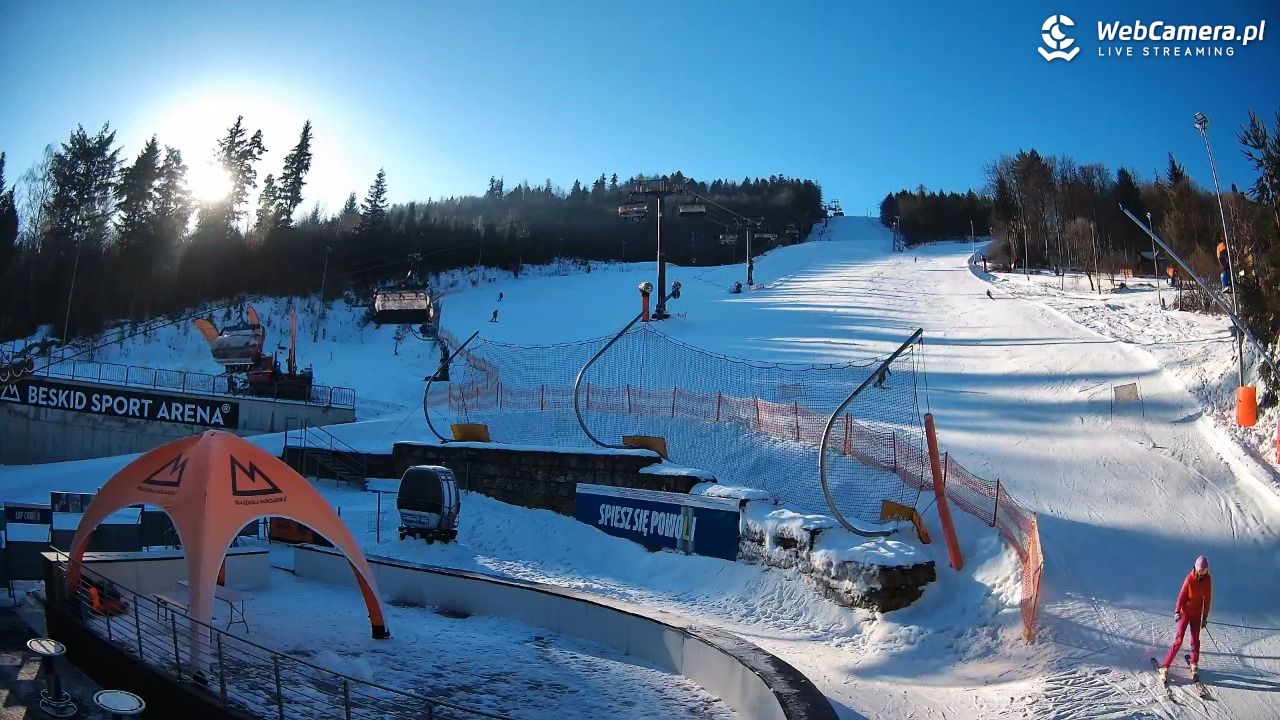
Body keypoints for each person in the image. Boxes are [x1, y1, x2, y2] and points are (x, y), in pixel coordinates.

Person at [1158, 555, 1212, 682]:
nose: (1202, 573)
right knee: (1179, 639)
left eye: (1204, 570)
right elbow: (1181, 596)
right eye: (1200, 570)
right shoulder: (1190, 579)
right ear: (1196, 568)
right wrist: (1177, 611)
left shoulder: (1207, 580)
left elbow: (1207, 600)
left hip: (1197, 614)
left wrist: (1204, 617)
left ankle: (1194, 663)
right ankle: (1165, 666)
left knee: (1195, 640)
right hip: (1185, 613)